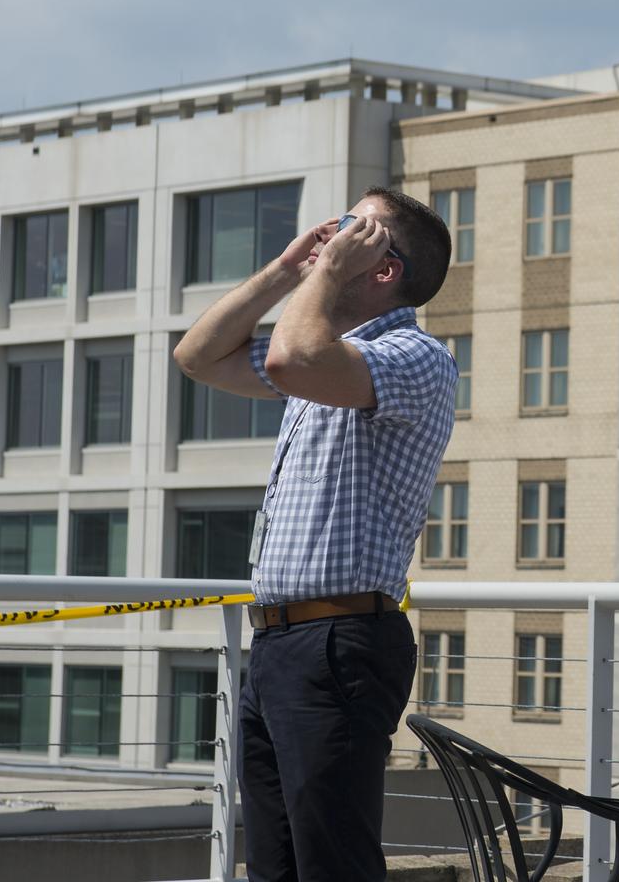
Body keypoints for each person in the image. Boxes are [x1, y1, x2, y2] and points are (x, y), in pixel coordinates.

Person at [173, 187, 457, 882]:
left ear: (384, 268)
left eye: (353, 228)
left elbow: (288, 361)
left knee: (334, 865)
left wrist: (325, 279)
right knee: (277, 865)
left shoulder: (415, 357)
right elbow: (198, 357)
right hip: (279, 643)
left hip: (339, 644)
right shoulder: (332, 353)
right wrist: (284, 272)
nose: (331, 234)